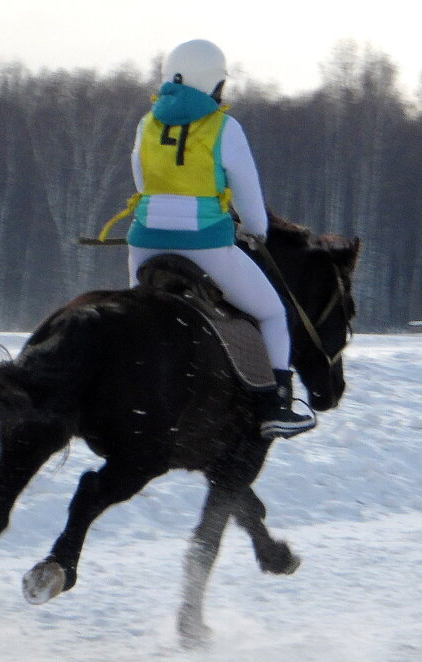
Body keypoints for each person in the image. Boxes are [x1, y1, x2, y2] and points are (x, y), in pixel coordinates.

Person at [126, 39, 315, 439]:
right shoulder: (225, 128)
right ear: (214, 83)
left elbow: (142, 183)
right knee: (272, 313)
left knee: (134, 318)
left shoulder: (146, 124)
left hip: (144, 242)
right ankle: (276, 404)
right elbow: (248, 197)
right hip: (206, 245)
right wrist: (255, 230)